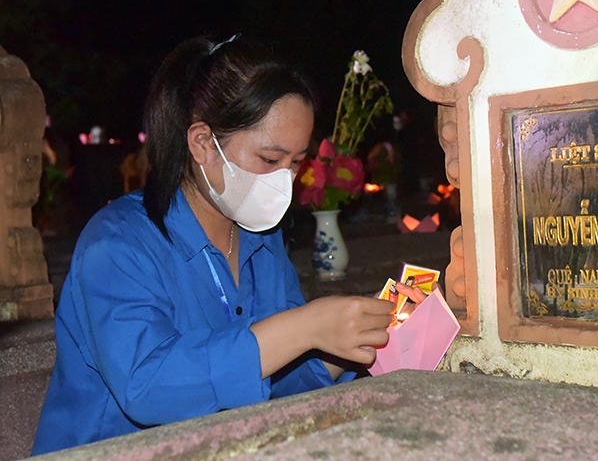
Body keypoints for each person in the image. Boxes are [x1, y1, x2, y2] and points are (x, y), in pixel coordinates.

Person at [31, 35, 401, 455]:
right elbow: (148, 386)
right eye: (269, 159)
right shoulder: (117, 243)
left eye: (296, 163)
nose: (286, 180)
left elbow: (277, 380)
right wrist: (306, 327)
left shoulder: (260, 240)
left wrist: (349, 339)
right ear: (203, 144)